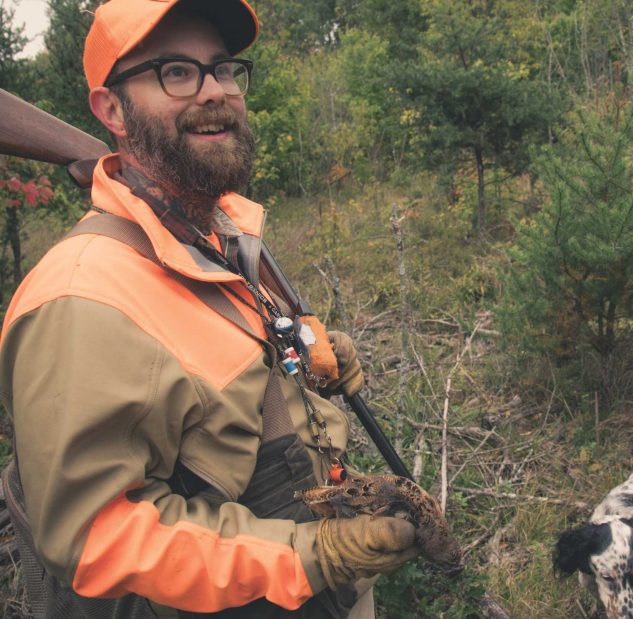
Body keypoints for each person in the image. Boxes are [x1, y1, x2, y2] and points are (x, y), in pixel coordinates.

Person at [0, 0, 419, 617]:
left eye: (222, 69)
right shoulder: (80, 297)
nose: (213, 91)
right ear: (110, 110)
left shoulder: (216, 229)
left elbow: (214, 365)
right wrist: (311, 557)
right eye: (175, 72)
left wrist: (310, 354)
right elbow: (97, 537)